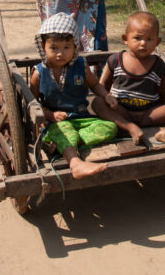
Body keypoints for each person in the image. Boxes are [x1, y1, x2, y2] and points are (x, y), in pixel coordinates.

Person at [28, 12, 118, 179]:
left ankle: (66, 144)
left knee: (110, 128)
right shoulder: (39, 73)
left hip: (81, 118)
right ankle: (75, 163)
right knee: (65, 131)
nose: (60, 53)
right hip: (55, 124)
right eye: (54, 48)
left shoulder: (80, 66)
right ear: (43, 46)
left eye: (66, 48)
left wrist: (106, 96)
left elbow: (95, 85)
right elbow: (32, 103)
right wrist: (50, 115)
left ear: (75, 47)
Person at [98, 11, 165, 146]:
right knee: (97, 102)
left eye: (149, 39)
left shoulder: (158, 65)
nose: (143, 43)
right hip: (123, 112)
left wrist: (162, 111)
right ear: (125, 39)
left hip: (148, 114)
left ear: (157, 42)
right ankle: (130, 127)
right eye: (137, 38)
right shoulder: (116, 60)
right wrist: (107, 98)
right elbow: (102, 86)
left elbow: (162, 91)